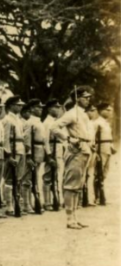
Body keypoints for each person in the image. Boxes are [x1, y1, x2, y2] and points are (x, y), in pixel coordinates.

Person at [53, 87, 93, 229]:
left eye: (88, 97)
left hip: (84, 150)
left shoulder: (83, 114)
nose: (88, 100)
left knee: (78, 186)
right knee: (71, 185)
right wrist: (69, 139)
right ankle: (70, 219)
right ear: (77, 99)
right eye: (85, 97)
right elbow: (54, 127)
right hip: (76, 151)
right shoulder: (71, 114)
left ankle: (75, 218)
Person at [2, 96, 27, 217]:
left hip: (20, 150)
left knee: (18, 178)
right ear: (11, 106)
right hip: (12, 151)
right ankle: (9, 206)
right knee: (10, 179)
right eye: (17, 105)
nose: (20, 107)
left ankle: (17, 203)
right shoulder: (7, 120)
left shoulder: (19, 120)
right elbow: (5, 138)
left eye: (21, 105)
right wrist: (8, 155)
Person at [43, 99, 65, 210]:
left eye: (59, 107)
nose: (58, 109)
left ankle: (57, 199)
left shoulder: (57, 122)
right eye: (55, 107)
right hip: (52, 149)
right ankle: (47, 202)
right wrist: (48, 155)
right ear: (49, 109)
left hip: (59, 149)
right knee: (48, 177)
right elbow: (45, 140)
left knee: (56, 176)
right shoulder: (47, 122)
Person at [94, 102, 116, 204]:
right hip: (100, 149)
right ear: (101, 111)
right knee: (98, 173)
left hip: (107, 149)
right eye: (107, 110)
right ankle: (97, 196)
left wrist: (112, 147)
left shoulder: (106, 123)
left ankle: (100, 195)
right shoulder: (97, 123)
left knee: (105, 172)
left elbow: (108, 137)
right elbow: (94, 138)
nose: (110, 112)